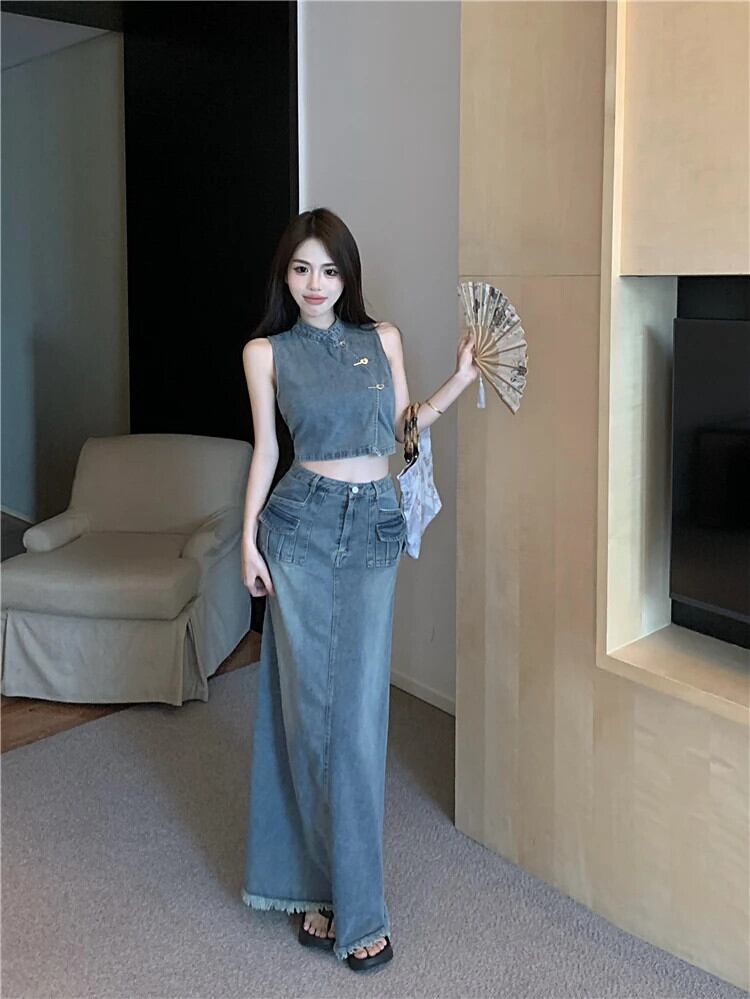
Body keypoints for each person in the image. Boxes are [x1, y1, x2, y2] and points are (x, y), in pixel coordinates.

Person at [239, 207, 478, 972]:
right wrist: (246, 540)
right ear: (285, 275)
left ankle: (354, 901)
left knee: (359, 723)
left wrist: (458, 381)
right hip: (301, 528)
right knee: (311, 719)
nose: (316, 284)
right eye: (302, 268)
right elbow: (267, 450)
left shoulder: (383, 340)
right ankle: (323, 890)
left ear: (348, 276)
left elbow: (403, 432)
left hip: (372, 526)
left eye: (330, 269)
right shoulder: (265, 352)